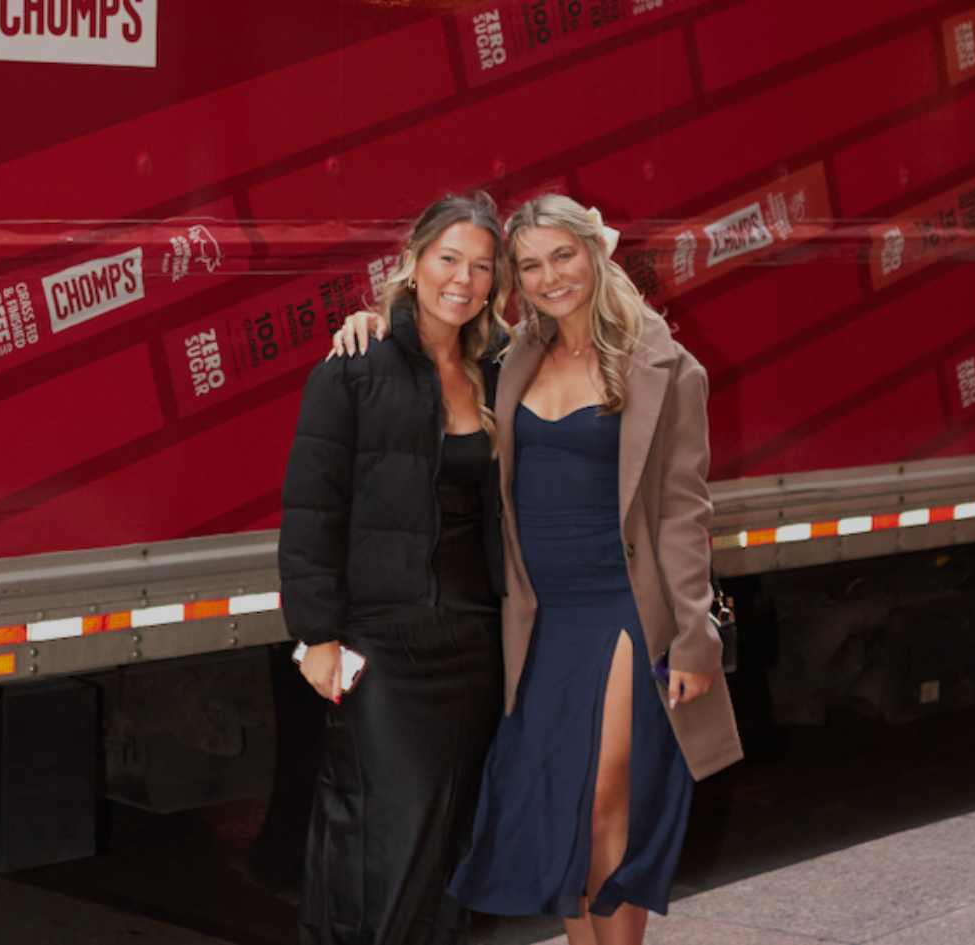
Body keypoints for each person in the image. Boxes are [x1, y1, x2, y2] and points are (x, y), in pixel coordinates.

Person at [333, 194, 743, 945]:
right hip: (539, 618)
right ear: (513, 280)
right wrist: (372, 324)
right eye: (529, 265)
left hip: (624, 608)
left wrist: (694, 635)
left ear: (595, 253)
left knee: (608, 804)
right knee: (562, 813)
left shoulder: (663, 367)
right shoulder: (509, 355)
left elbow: (685, 514)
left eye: (563, 255)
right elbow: (435, 343)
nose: (550, 276)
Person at [277, 192, 511, 945]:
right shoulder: (355, 365)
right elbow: (312, 508)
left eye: (482, 266)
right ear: (412, 261)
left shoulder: (502, 369)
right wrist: (317, 635)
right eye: (449, 258)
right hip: (382, 646)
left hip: (474, 642)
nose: (463, 279)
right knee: (379, 839)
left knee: (451, 839)